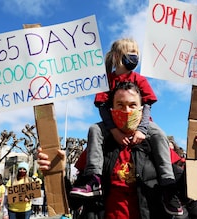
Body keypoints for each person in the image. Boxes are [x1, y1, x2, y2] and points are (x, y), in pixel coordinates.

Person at [38, 81, 197, 219]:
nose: (126, 111)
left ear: (142, 110)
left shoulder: (156, 146)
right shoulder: (97, 150)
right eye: (120, 105)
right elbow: (72, 203)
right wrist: (57, 172)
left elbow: (185, 190)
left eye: (132, 105)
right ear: (111, 110)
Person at [70, 38, 186, 215]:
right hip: (111, 127)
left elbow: (147, 105)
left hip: (142, 125)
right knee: (94, 129)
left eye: (136, 54)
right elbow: (102, 107)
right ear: (117, 56)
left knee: (159, 134)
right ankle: (94, 179)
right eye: (129, 53)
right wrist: (114, 131)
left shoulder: (139, 79)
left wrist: (142, 129)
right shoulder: (106, 81)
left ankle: (167, 184)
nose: (134, 57)